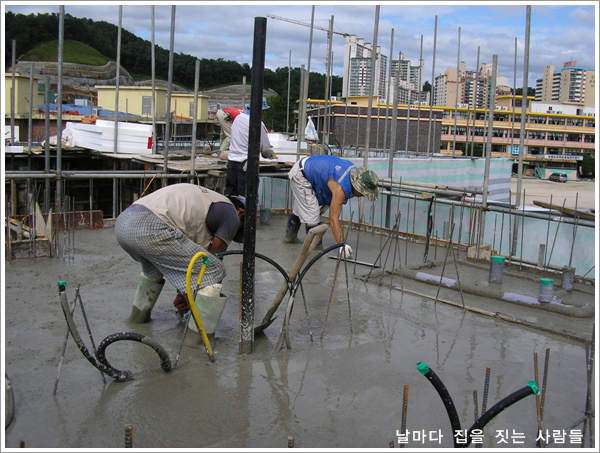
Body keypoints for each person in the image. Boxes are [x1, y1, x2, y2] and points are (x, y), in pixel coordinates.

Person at [115, 183, 246, 325]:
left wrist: (183, 294)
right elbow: (212, 261)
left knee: (153, 271)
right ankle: (197, 339)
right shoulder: (231, 213)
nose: (230, 234)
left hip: (124, 223)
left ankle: (137, 320)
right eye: (238, 229)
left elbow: (185, 259)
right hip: (151, 226)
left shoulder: (203, 203)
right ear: (241, 212)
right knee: (214, 270)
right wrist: (194, 299)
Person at [283, 155, 380, 258]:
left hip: (309, 167)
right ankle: (315, 251)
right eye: (362, 192)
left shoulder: (353, 174)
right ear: (357, 186)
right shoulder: (340, 188)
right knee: (312, 216)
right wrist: (341, 244)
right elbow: (333, 219)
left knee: (303, 207)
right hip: (301, 174)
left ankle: (289, 238)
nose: (362, 195)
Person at [225, 97, 275, 198]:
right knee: (247, 199)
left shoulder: (238, 119)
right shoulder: (257, 123)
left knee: (230, 196)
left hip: (231, 164)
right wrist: (270, 155)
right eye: (263, 111)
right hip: (245, 165)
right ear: (259, 110)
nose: (264, 113)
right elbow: (265, 149)